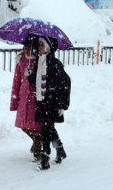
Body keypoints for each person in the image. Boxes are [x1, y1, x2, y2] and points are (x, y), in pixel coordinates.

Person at [28, 36, 69, 170]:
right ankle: (60, 150)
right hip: (41, 101)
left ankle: (45, 158)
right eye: (38, 45)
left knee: (46, 129)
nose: (39, 48)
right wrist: (30, 76)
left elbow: (65, 82)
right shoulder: (38, 62)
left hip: (52, 102)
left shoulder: (55, 63)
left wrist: (62, 104)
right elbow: (36, 81)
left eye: (41, 45)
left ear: (48, 47)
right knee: (49, 128)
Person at [10, 37, 43, 161]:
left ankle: (37, 150)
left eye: (29, 48)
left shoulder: (39, 61)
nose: (26, 50)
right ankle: (37, 141)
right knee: (23, 126)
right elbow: (16, 82)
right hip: (24, 98)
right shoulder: (21, 61)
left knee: (35, 126)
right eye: (24, 48)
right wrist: (15, 101)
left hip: (35, 98)